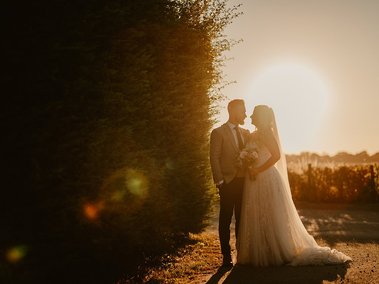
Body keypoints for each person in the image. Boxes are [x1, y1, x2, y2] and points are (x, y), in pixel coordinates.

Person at [237, 105, 352, 266]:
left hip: (266, 176)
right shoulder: (255, 134)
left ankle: (277, 251)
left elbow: (275, 156)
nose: (250, 116)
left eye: (254, 114)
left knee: (271, 214)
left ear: (260, 116)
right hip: (254, 178)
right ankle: (264, 250)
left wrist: (257, 169)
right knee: (258, 213)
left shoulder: (266, 133)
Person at [210, 99, 250, 268]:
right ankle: (226, 257)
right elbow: (214, 157)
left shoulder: (246, 133)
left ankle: (241, 254)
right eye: (243, 111)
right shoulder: (218, 132)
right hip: (227, 182)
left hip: (245, 183)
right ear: (233, 111)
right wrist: (220, 181)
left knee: (243, 219)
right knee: (225, 220)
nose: (245, 114)